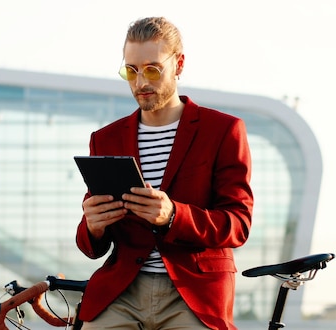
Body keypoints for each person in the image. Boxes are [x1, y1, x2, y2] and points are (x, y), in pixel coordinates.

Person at [75, 16, 253, 330]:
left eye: (152, 69)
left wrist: (173, 215)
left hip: (193, 293)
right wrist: (94, 225)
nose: (141, 82)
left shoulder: (223, 130)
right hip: (122, 290)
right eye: (131, 71)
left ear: (179, 64)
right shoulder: (105, 138)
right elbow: (91, 244)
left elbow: (237, 224)